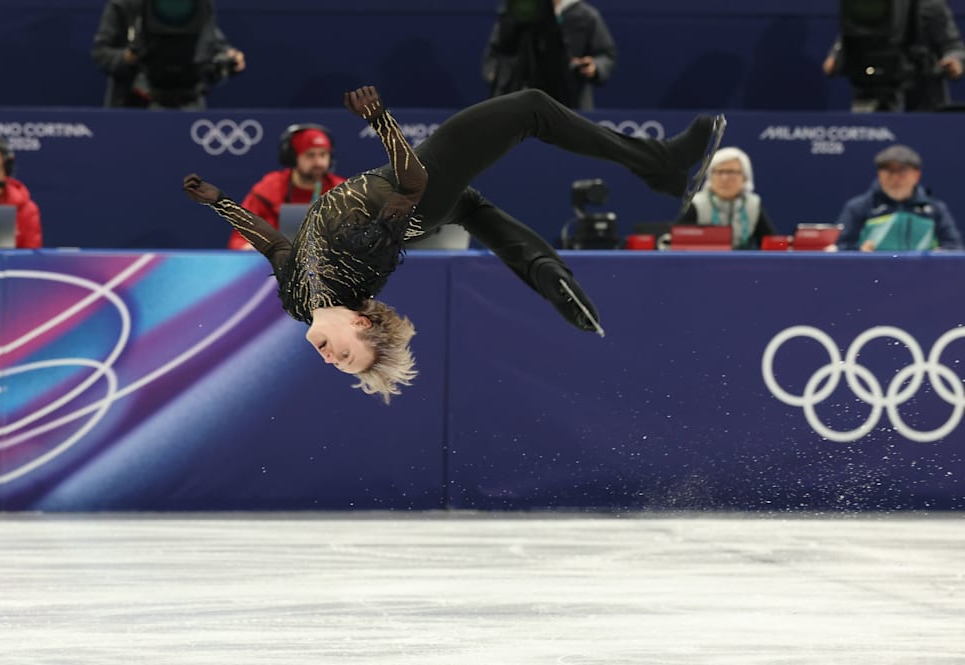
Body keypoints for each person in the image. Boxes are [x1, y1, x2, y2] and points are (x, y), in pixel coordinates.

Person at [184, 86, 724, 403]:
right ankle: (661, 165)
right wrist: (381, 120)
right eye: (346, 357)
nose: (330, 359)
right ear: (362, 323)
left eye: (336, 365)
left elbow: (275, 247)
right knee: (530, 107)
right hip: (421, 192)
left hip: (428, 202)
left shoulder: (300, 303)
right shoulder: (361, 265)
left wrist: (218, 201)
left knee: (474, 209)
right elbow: (413, 184)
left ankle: (547, 273)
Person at [91, 0, 245, 110]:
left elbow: (213, 44)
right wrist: (128, 56)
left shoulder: (193, 6)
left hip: (189, 105)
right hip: (134, 105)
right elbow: (100, 53)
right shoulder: (122, 5)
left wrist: (229, 57)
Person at [823, 0, 965, 111]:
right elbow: (853, 32)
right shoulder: (865, 4)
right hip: (870, 90)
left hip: (921, 97)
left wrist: (954, 61)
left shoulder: (930, 4)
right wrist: (835, 56)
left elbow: (952, 46)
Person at [228, 124, 347, 250]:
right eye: (310, 155)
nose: (318, 162)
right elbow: (240, 239)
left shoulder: (343, 192)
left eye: (323, 154)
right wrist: (250, 249)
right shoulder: (268, 190)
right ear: (293, 157)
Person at [482, 0, 617, 110]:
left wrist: (595, 66)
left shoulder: (586, 15)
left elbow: (606, 54)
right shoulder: (521, 11)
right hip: (520, 98)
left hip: (572, 101)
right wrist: (498, 75)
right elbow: (496, 51)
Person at [836, 144, 963, 251]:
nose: (895, 178)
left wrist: (940, 254)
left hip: (923, 272)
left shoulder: (935, 209)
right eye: (889, 171)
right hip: (871, 272)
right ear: (879, 174)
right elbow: (840, 248)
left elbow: (955, 248)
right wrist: (859, 252)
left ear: (916, 175)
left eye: (902, 171)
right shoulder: (858, 208)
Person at [677, 147, 776, 250]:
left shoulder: (752, 205)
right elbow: (675, 241)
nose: (724, 178)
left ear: (744, 177)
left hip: (742, 259)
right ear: (710, 176)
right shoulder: (698, 204)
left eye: (731, 172)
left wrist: (783, 245)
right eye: (719, 172)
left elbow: (773, 244)